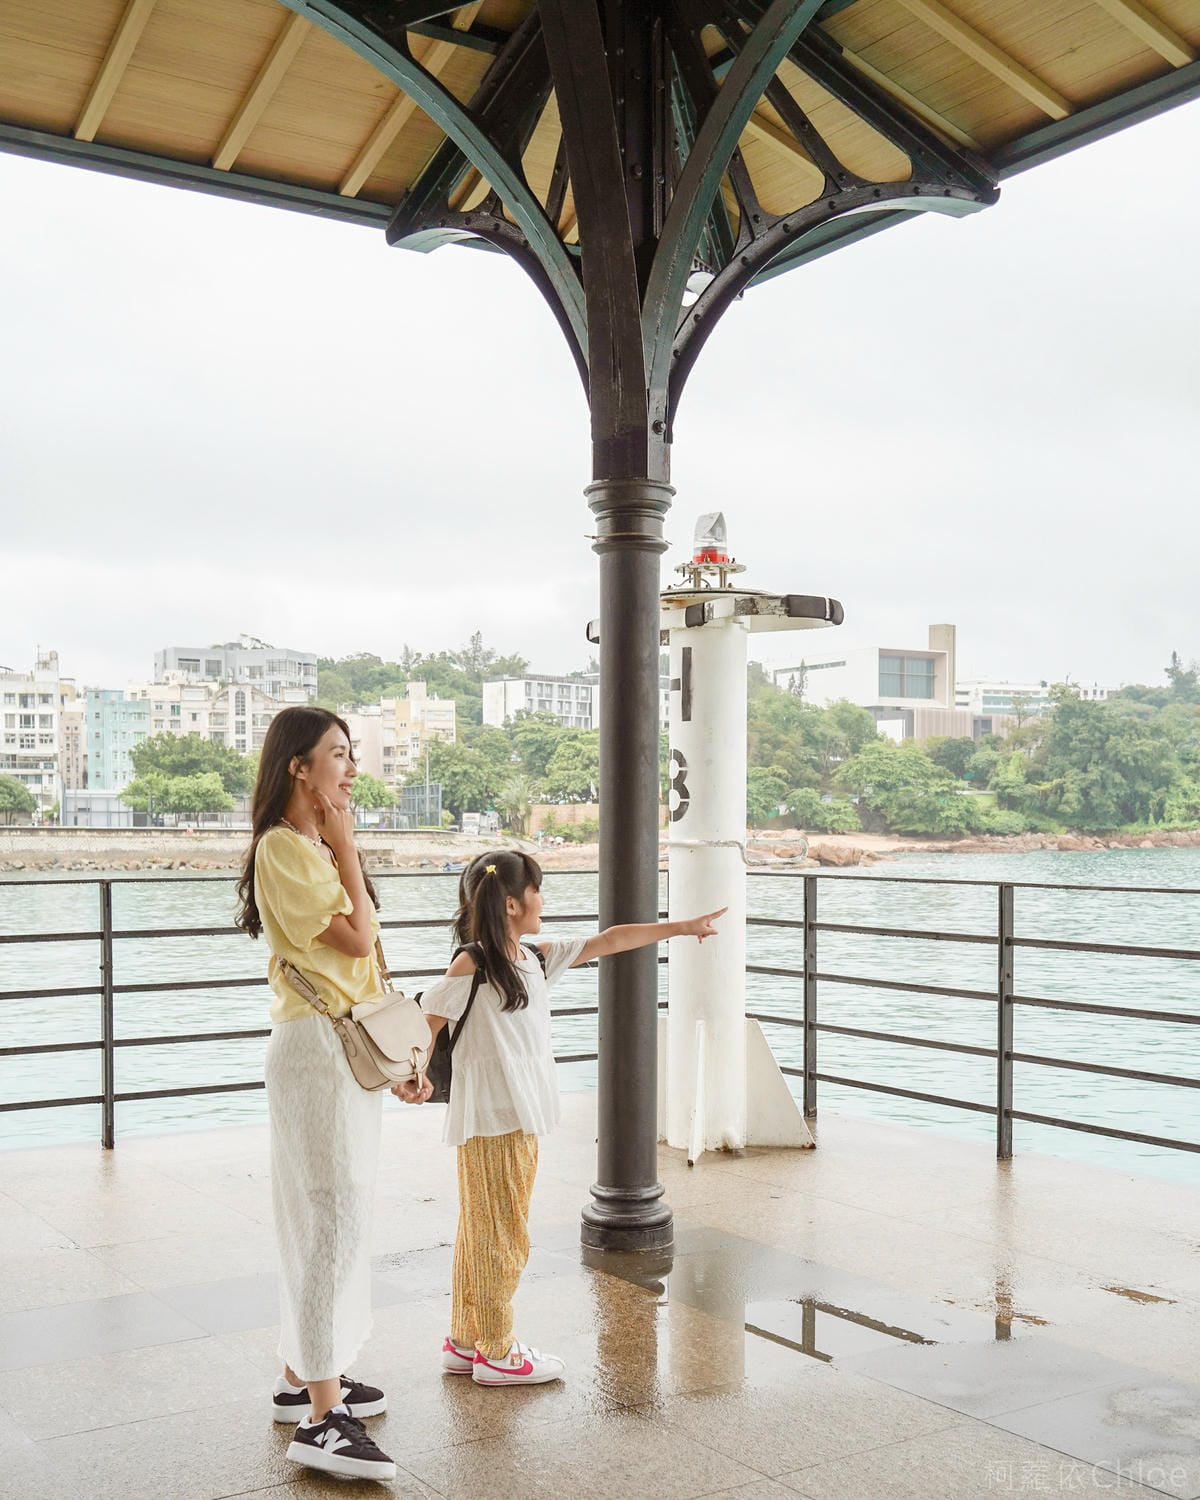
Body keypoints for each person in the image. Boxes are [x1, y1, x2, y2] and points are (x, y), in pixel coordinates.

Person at [395, 849, 724, 1386]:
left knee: (484, 1228)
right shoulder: (472, 963)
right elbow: (428, 1022)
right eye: (538, 891)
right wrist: (417, 1073)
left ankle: (465, 1340)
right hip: (493, 1116)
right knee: (503, 1235)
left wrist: (682, 927)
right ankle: (498, 1353)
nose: (542, 900)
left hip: (515, 1112)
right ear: (511, 903)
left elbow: (610, 939)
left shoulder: (533, 958)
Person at [236, 706, 397, 1483]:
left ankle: (308, 1372)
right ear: (298, 767)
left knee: (329, 1208)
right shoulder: (286, 847)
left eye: (350, 752)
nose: (350, 767)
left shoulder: (303, 847)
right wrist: (348, 845)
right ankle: (322, 1419)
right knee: (330, 1211)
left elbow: (365, 959)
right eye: (337, 754)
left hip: (339, 1044)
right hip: (315, 1050)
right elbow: (358, 940)